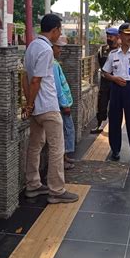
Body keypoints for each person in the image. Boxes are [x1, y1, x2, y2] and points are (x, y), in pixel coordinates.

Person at [22, 13, 79, 203]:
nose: (59, 34)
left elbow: (25, 77)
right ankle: (56, 190)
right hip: (47, 106)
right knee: (57, 147)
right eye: (59, 30)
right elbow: (37, 79)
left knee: (35, 145)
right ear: (54, 30)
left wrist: (29, 104)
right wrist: (30, 103)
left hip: (37, 107)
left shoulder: (31, 46)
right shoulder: (46, 50)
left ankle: (33, 185)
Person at [102, 23, 130, 162]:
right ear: (120, 35)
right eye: (127, 34)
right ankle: (115, 150)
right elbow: (105, 73)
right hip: (116, 89)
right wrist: (114, 78)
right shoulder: (113, 54)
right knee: (115, 120)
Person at [52, 35, 76, 170]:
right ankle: (62, 159)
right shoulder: (53, 65)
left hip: (63, 104)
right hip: (61, 105)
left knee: (67, 130)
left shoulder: (55, 63)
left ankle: (65, 156)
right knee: (65, 131)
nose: (60, 50)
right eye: (58, 47)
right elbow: (57, 87)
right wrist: (64, 104)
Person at [90, 27, 120, 134]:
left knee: (114, 107)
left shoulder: (120, 51)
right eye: (107, 36)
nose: (109, 39)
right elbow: (100, 63)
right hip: (104, 83)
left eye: (111, 37)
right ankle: (99, 125)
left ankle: (114, 127)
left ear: (117, 37)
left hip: (116, 83)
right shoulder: (102, 50)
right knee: (101, 104)